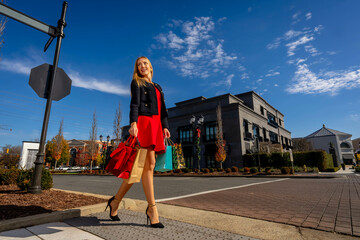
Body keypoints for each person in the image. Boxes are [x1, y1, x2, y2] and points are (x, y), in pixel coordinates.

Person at [106, 56, 170, 228]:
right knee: (144, 167)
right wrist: (133, 123)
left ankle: (115, 202)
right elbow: (134, 104)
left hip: (156, 125)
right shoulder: (137, 83)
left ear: (150, 66)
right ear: (137, 68)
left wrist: (165, 126)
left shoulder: (158, 87)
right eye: (139, 64)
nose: (142, 66)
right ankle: (152, 209)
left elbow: (163, 110)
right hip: (144, 123)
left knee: (142, 168)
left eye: (145, 63)